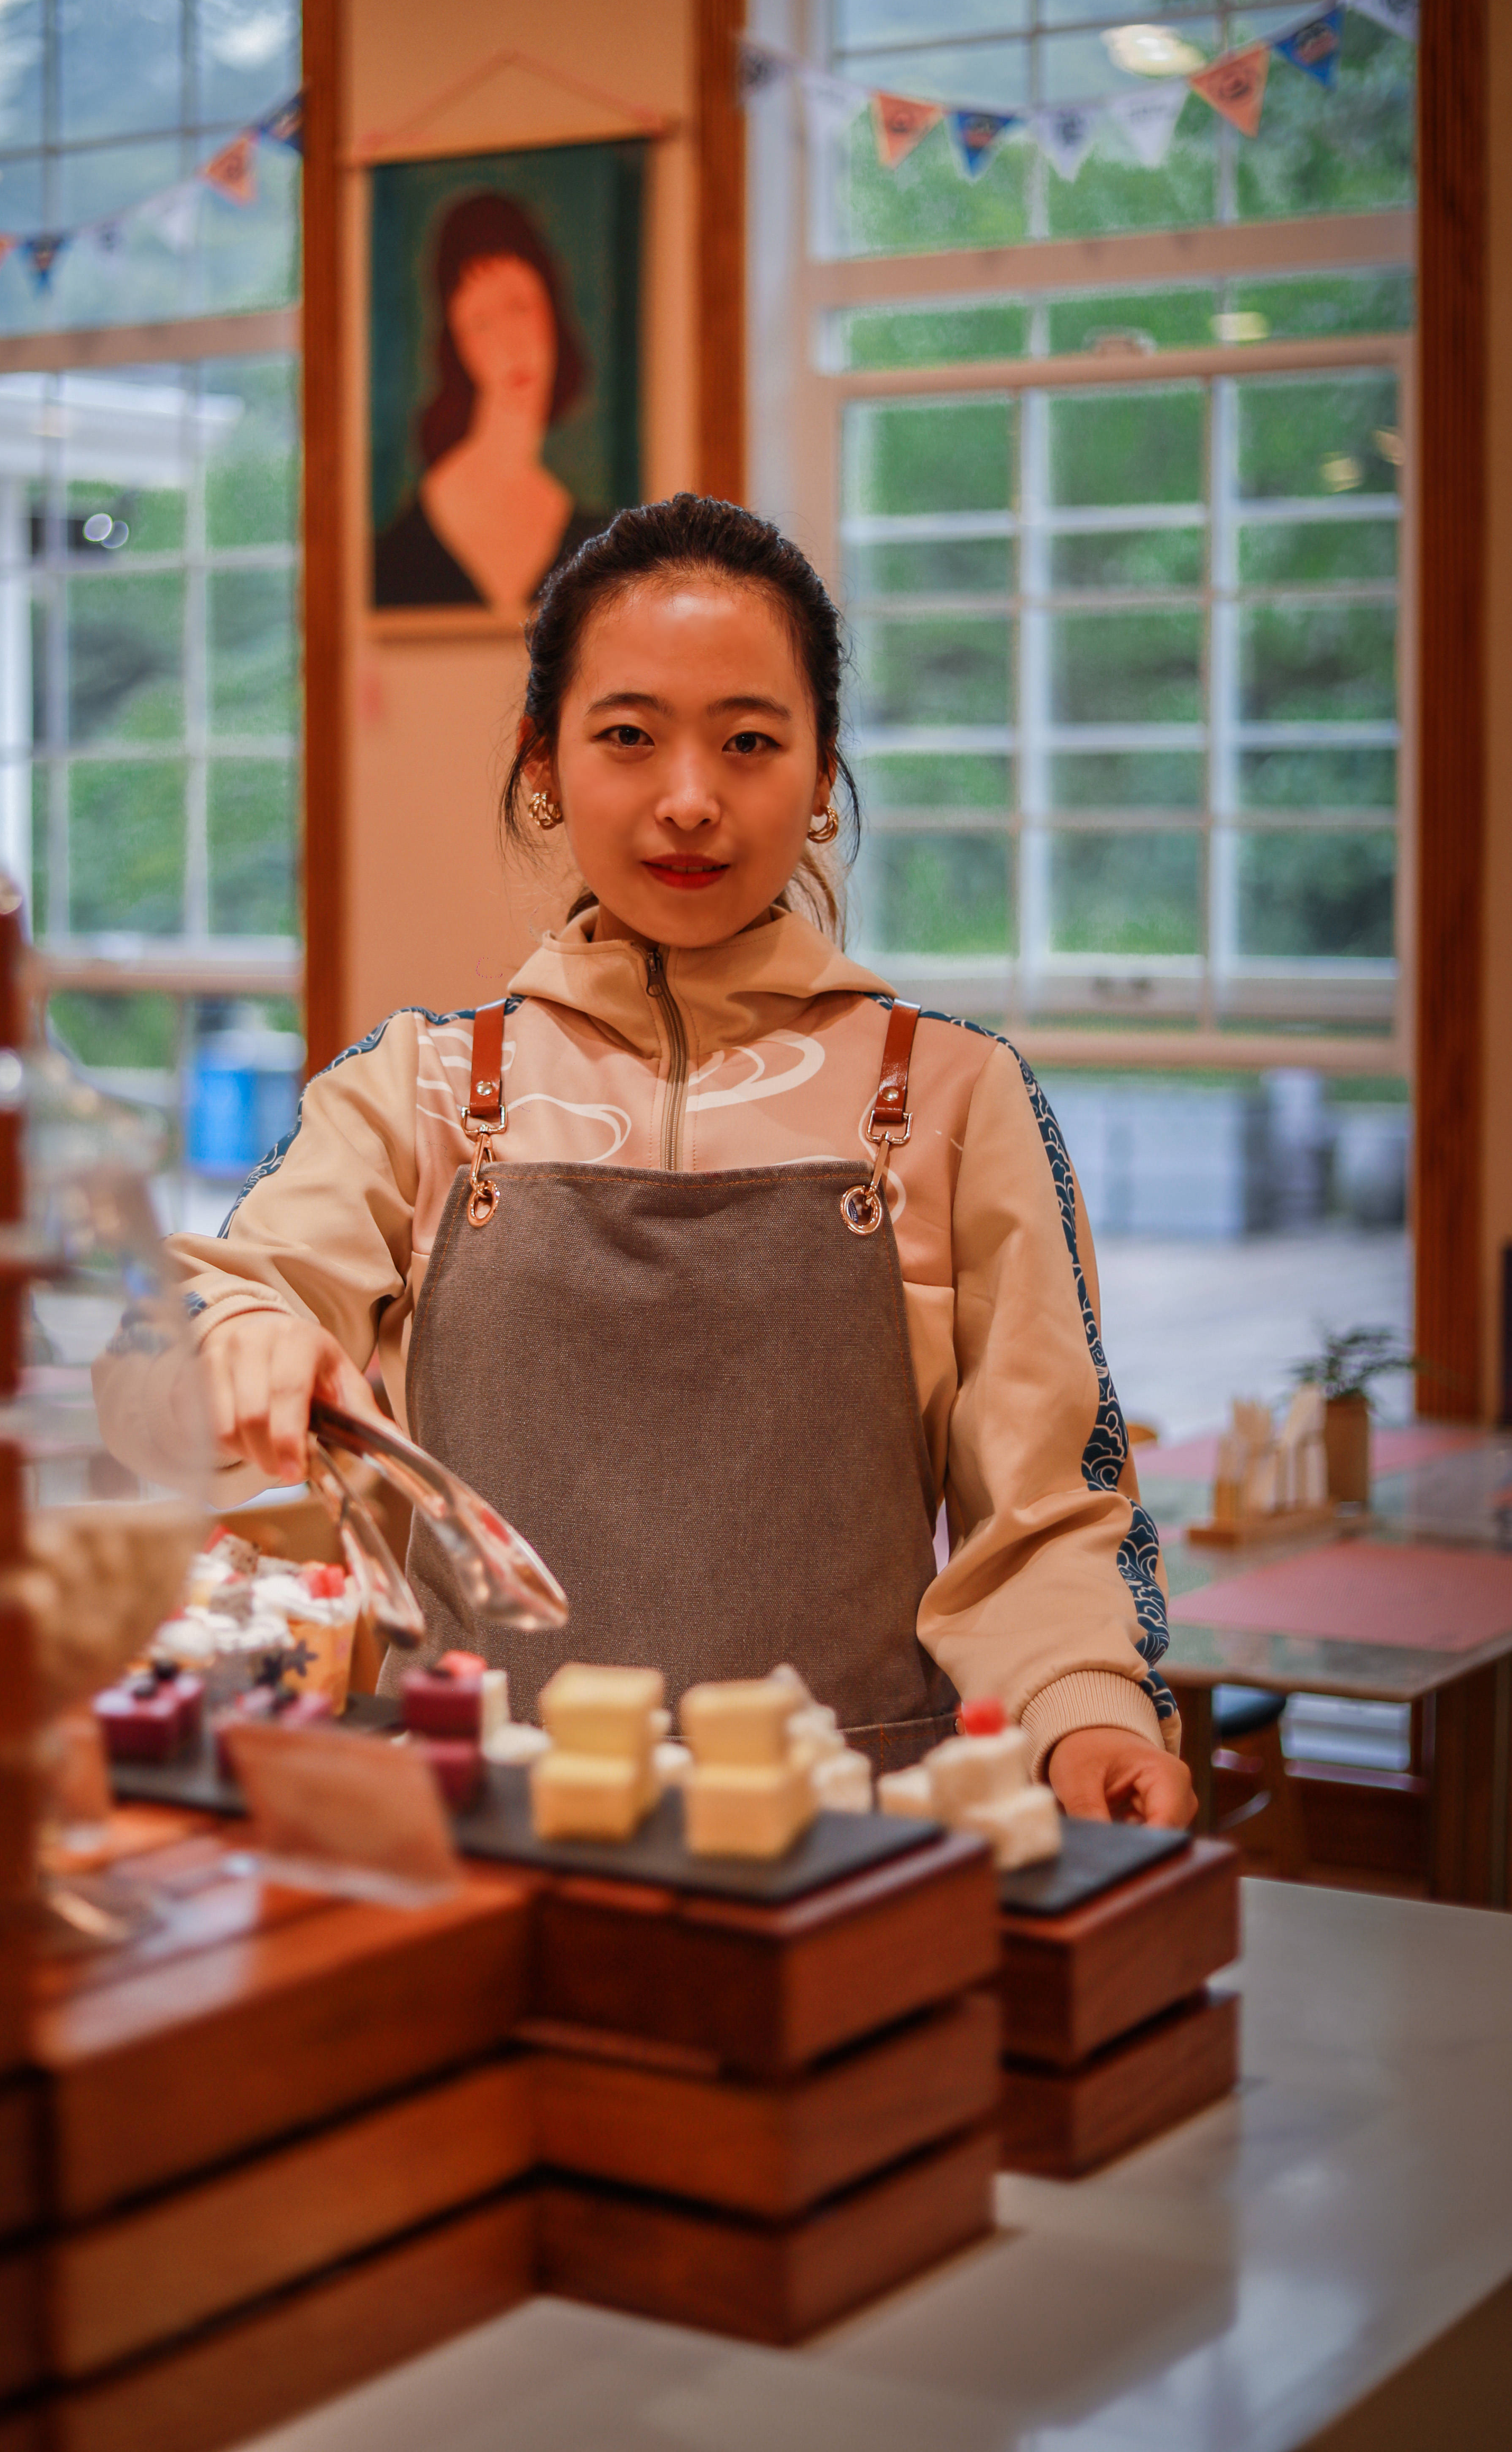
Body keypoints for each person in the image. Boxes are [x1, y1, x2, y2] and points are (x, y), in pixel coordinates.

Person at [175, 495, 1195, 1824]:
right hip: (478, 1834)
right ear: (543, 764)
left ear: (822, 775)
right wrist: (245, 1333)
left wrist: (1085, 1719)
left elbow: (1046, 1512)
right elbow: (225, 1296)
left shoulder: (950, 1093)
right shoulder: (418, 1088)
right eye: (626, 737)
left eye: (750, 741)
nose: (689, 800)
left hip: (845, 1848)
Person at [371, 192, 611, 613]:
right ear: (458, 346)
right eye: (481, 324)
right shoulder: (408, 539)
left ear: (552, 311)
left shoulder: (594, 533)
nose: (510, 345)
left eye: (520, 309)